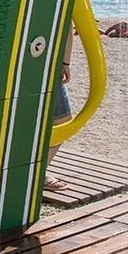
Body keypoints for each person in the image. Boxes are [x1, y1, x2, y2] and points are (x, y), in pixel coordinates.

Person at [45, 29, 77, 190]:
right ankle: (37, 173)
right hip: (46, 63)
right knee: (62, 124)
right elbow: (66, 27)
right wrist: (65, 63)